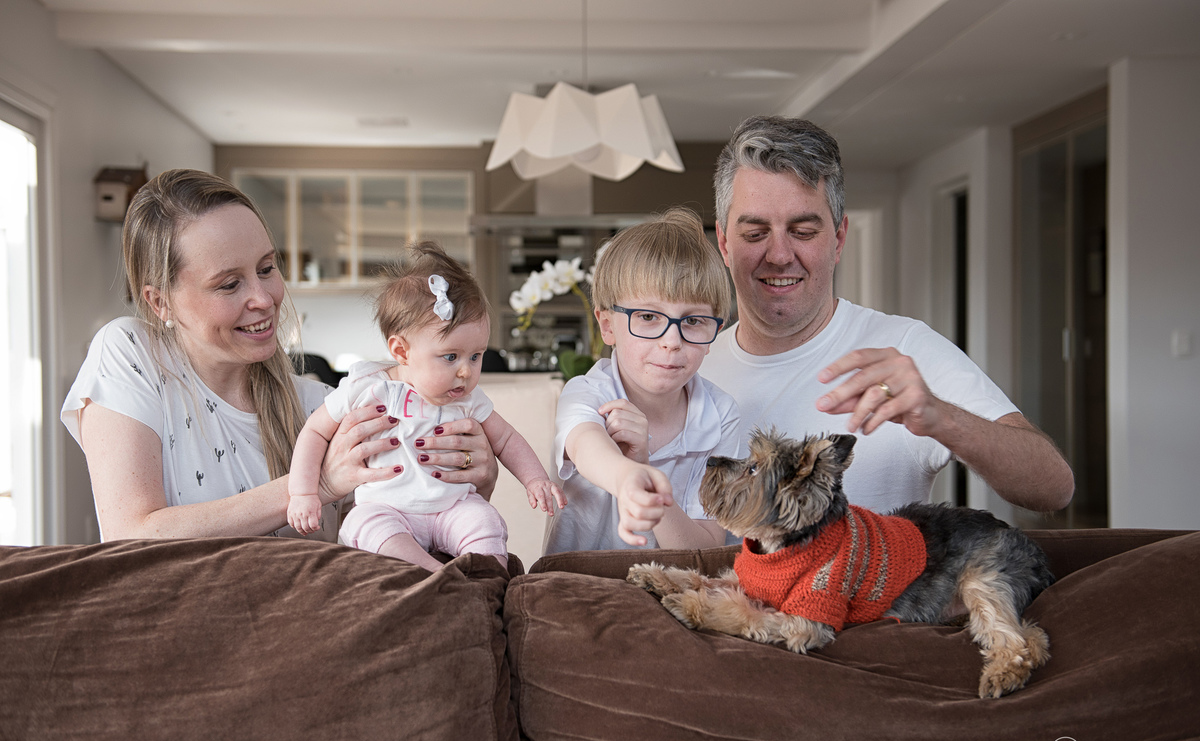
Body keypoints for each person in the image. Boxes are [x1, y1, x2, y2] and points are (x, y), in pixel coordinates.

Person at [61, 168, 498, 541]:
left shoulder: (324, 407)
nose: (264, 298)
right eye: (229, 284)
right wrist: (316, 483)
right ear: (160, 303)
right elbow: (132, 533)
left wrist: (472, 477)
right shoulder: (131, 354)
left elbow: (388, 542)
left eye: (267, 268)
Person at [700, 116, 1074, 514]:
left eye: (803, 232)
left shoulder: (905, 347)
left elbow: (1053, 488)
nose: (779, 255)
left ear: (839, 239)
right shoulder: (684, 362)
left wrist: (943, 418)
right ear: (724, 243)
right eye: (755, 234)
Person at [287, 243, 565, 570]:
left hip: (451, 507)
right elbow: (315, 432)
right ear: (401, 351)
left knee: (484, 521)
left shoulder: (467, 399)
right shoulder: (366, 388)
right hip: (386, 508)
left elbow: (506, 440)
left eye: (475, 356)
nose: (466, 370)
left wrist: (535, 479)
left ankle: (488, 580)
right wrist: (304, 493)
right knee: (365, 526)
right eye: (451, 357)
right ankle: (433, 571)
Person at [546, 208, 743, 553]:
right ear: (607, 326)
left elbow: (707, 553)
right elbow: (584, 444)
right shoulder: (587, 391)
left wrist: (644, 468)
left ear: (715, 332)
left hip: (675, 590)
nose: (672, 340)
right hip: (576, 585)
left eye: (694, 320)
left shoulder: (721, 414)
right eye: (649, 317)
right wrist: (626, 477)